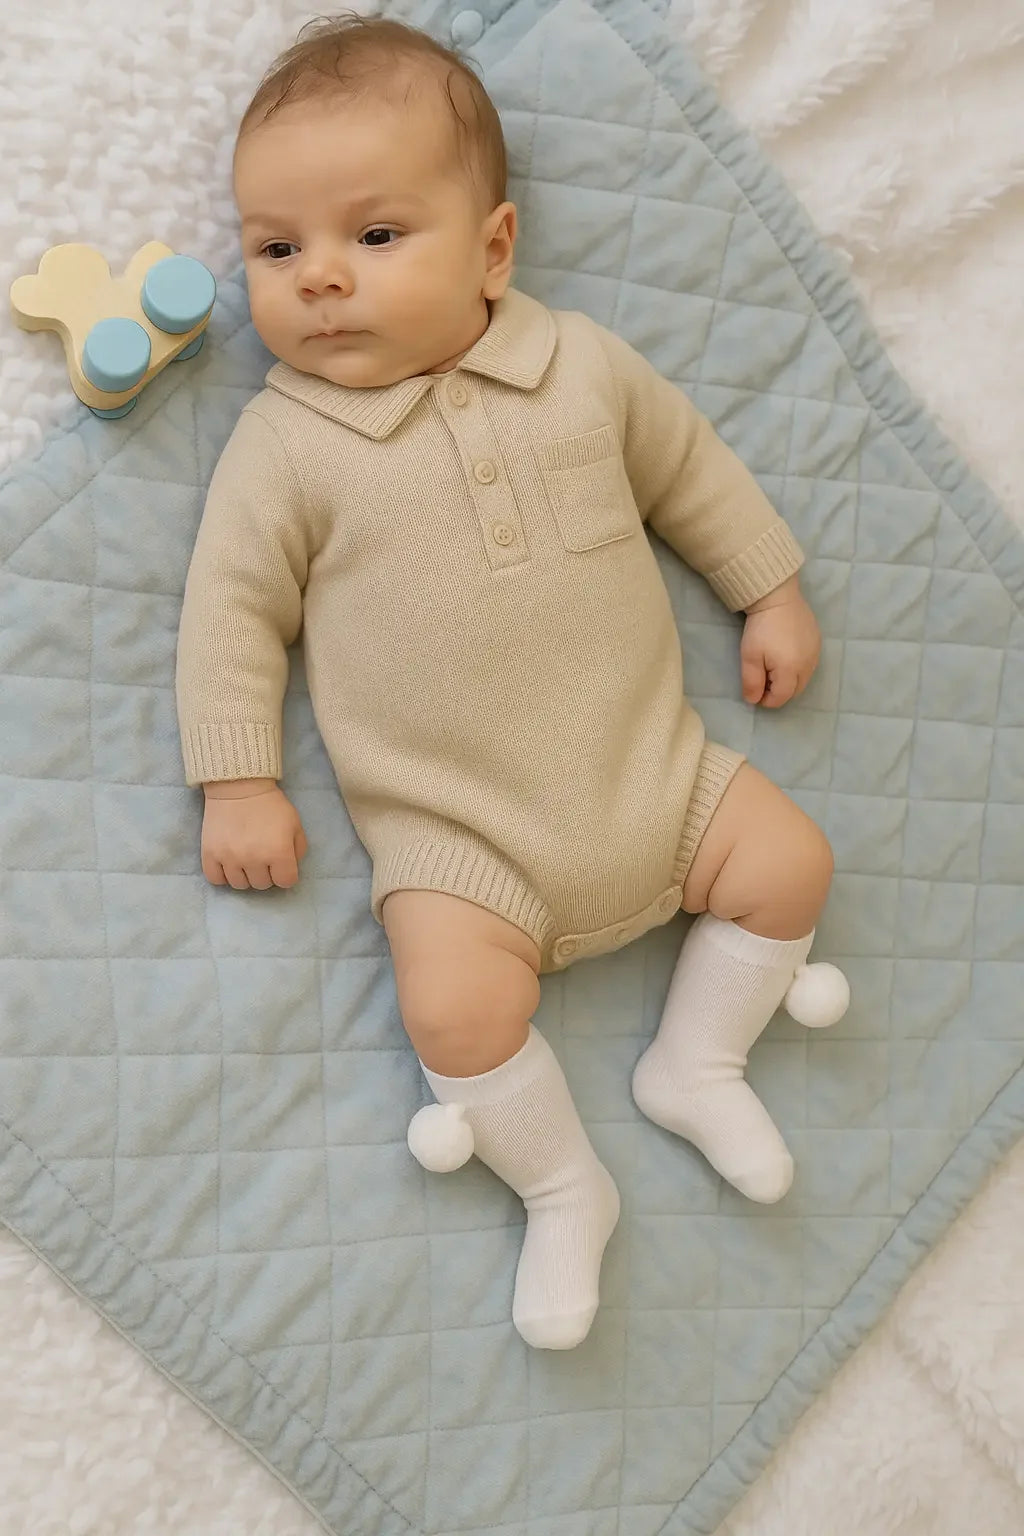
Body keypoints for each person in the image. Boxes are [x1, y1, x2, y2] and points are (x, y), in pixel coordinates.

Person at [176, 13, 836, 1352]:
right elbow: (231, 611)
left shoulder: (581, 368)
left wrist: (767, 587)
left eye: (373, 236)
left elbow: (688, 469)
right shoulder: (284, 445)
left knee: (794, 865)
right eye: (275, 247)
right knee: (454, 1007)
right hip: (462, 844)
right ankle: (559, 1182)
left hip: (654, 779)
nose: (319, 279)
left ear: (493, 250)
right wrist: (237, 776)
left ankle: (694, 1063)